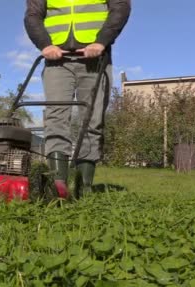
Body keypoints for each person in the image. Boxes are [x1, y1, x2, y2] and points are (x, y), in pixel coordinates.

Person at [25, 0, 131, 194]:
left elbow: (120, 7)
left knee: (92, 119)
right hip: (57, 59)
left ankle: (84, 186)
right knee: (55, 117)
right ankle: (58, 183)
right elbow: (32, 15)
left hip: (95, 57)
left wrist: (102, 41)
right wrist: (45, 44)